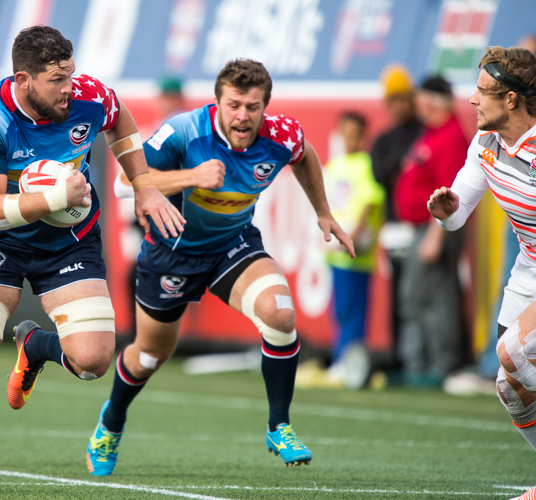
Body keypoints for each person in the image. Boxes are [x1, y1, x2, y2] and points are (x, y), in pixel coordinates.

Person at [0, 25, 183, 493]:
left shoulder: (89, 97)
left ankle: (35, 346)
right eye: (56, 80)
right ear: (23, 80)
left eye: (70, 76)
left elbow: (121, 123)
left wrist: (143, 186)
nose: (68, 88)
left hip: (68, 243)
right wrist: (55, 195)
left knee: (94, 361)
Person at [95, 58, 355, 476]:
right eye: (234, 104)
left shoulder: (280, 136)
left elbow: (304, 157)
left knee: (280, 315)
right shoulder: (184, 131)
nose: (243, 116)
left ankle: (279, 425)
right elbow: (124, 184)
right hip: (171, 253)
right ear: (217, 102)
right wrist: (191, 176)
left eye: (253, 107)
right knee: (148, 355)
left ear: (265, 107)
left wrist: (322, 211)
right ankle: (111, 421)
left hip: (232, 246)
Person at [429, 46, 536, 500]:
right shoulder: (485, 144)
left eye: (482, 91)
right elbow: (457, 214)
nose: (472, 100)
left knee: (514, 349)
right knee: (511, 385)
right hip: (532, 269)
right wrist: (444, 211)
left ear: (512, 100)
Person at [393, 75, 468, 386]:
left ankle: (435, 366)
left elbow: (451, 194)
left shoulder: (450, 137)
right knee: (419, 297)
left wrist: (437, 235)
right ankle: (421, 363)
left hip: (434, 227)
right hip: (420, 228)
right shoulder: (431, 133)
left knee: (431, 298)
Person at [322, 112, 384, 387]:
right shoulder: (334, 165)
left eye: (355, 133)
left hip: (355, 252)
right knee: (339, 309)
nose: (349, 138)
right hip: (335, 251)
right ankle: (341, 360)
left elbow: (372, 199)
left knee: (353, 309)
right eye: (345, 131)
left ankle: (349, 364)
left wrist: (356, 233)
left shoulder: (365, 164)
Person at [370, 64, 422, 369]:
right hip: (394, 225)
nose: (398, 106)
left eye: (402, 98)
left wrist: (399, 168)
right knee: (397, 293)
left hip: (422, 224)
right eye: (393, 100)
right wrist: (401, 167)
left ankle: (421, 359)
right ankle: (399, 356)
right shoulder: (385, 139)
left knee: (420, 295)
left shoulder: (424, 131)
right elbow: (381, 173)